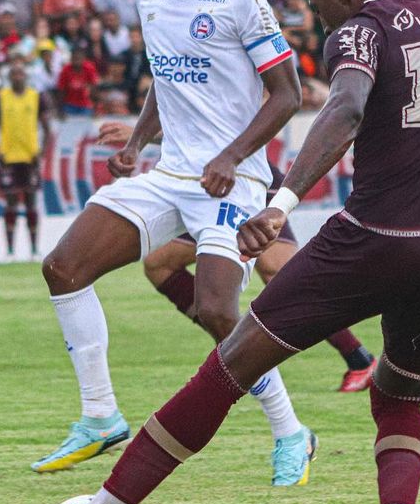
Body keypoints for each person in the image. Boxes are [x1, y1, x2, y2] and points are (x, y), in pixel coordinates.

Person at [0, 0, 420, 504]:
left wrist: (282, 200)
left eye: (319, 4)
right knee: (398, 391)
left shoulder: (359, 29)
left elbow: (347, 105)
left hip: (379, 234)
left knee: (231, 361)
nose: (322, 17)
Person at [27, 0, 315, 488]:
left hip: (235, 181)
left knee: (215, 309)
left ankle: (291, 431)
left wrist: (233, 156)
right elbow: (166, 79)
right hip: (169, 176)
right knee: (63, 267)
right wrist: (136, 143)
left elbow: (288, 94)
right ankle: (100, 415)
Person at [97, 123, 379, 392]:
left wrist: (141, 135)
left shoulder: (248, 75)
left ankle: (357, 359)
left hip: (244, 180)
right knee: (160, 263)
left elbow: (225, 127)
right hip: (208, 185)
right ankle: (234, 350)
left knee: (282, 276)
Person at [0, 63, 53, 260]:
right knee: (11, 203)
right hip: (9, 157)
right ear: (9, 77)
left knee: (31, 202)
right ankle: (10, 251)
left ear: (25, 76)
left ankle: (34, 250)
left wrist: (41, 151)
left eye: (20, 73)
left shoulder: (36, 97)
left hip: (30, 156)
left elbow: (46, 128)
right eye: (14, 73)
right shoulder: (1, 98)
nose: (17, 77)